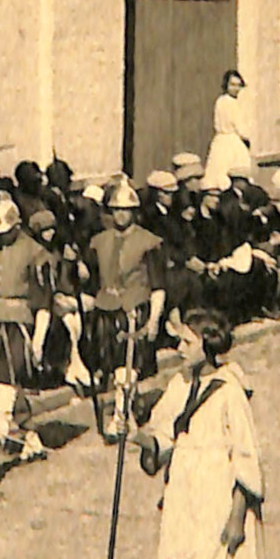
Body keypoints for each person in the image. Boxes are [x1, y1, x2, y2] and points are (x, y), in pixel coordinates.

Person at [129, 310, 272, 559]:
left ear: (208, 346)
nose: (178, 350)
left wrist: (237, 515)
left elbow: (246, 457)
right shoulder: (178, 385)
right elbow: (162, 437)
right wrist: (131, 432)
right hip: (183, 496)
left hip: (215, 493)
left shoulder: (229, 392)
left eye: (186, 343)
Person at [0, 198, 54, 462]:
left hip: (18, 326)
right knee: (8, 382)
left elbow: (43, 301)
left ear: (18, 226)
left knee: (7, 381)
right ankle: (31, 438)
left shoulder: (35, 252)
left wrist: (38, 340)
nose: (1, 238)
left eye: (7, 232)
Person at [84, 179, 167, 443]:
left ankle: (120, 415)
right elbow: (89, 276)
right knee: (112, 366)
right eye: (116, 209)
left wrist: (154, 319)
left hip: (133, 311)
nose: (121, 214)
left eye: (126, 209)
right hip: (105, 311)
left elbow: (158, 285)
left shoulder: (148, 242)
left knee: (127, 365)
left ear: (134, 211)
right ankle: (128, 407)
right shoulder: (99, 241)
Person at [203, 69, 252, 184]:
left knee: (218, 172)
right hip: (231, 141)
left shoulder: (220, 101)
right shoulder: (232, 103)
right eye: (232, 85)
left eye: (238, 85)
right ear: (226, 85)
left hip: (220, 141)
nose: (236, 88)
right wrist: (247, 137)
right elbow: (240, 127)